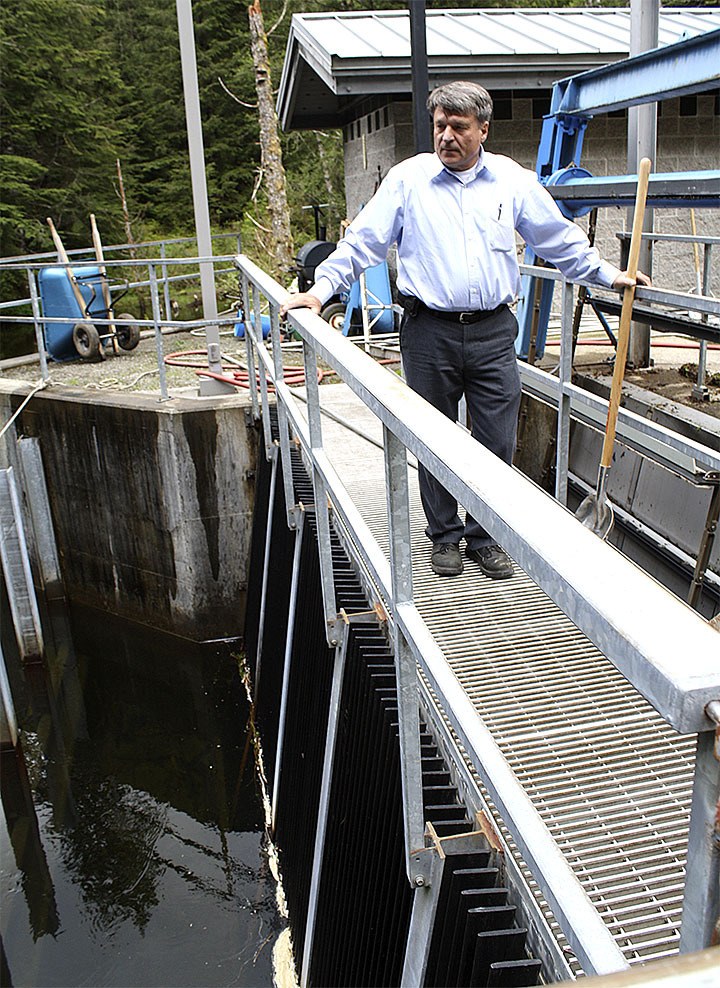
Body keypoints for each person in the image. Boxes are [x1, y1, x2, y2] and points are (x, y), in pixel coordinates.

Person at [280, 81, 649, 580]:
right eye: (440, 126)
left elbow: (558, 239)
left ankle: (484, 536)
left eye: (459, 127)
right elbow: (362, 243)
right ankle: (444, 537)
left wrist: (609, 275)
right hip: (428, 331)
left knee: (496, 438)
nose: (447, 136)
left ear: (483, 130)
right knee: (432, 435)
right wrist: (319, 291)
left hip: (494, 331)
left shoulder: (511, 182)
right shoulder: (408, 181)